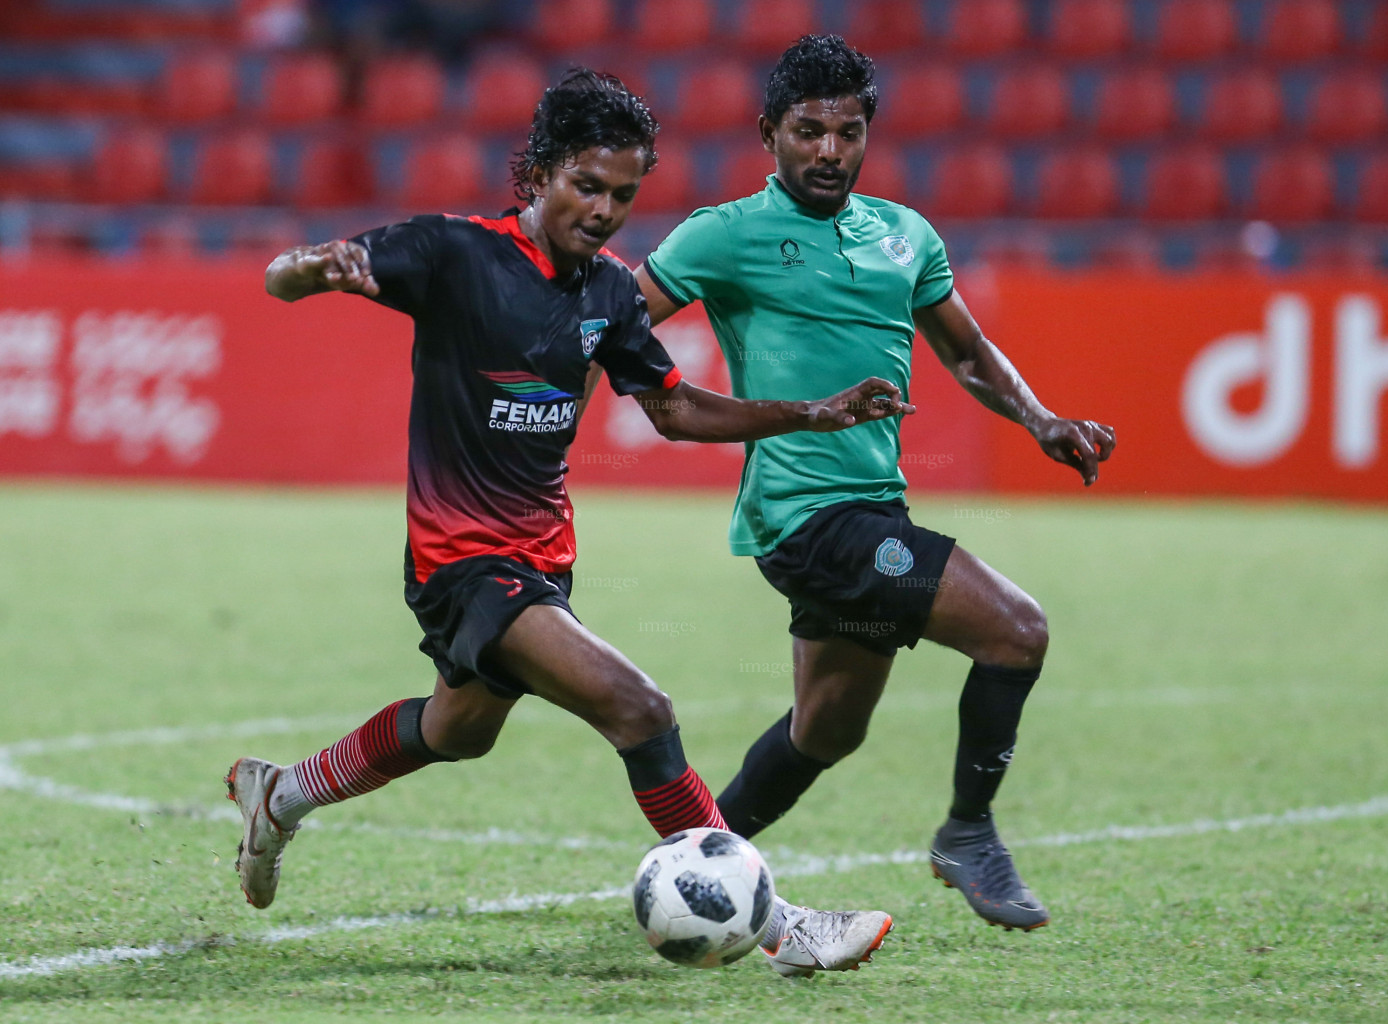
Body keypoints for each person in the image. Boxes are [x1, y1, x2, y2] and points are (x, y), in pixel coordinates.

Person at [226, 68, 903, 977]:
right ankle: (782, 929)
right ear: (538, 173)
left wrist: (806, 413)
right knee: (640, 708)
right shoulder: (454, 253)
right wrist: (311, 270)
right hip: (462, 565)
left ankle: (284, 793)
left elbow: (674, 410)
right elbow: (277, 281)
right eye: (587, 186)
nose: (603, 210)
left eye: (623, 195)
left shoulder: (611, 294)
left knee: (457, 730)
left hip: (543, 562)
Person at [632, 37, 1116, 932]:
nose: (828, 151)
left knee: (826, 730)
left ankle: (694, 860)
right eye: (807, 131)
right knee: (1016, 631)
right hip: (805, 517)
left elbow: (965, 352)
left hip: (871, 508)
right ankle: (967, 833)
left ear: (867, 134)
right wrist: (607, 408)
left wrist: (1041, 419)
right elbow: (620, 322)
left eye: (847, 132)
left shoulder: (904, 234)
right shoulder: (724, 233)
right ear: (768, 133)